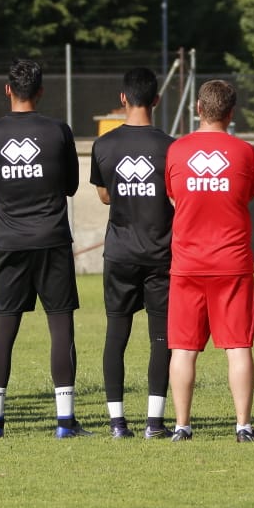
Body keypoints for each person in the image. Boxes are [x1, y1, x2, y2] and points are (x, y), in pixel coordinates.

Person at [0, 58, 84, 439]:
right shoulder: (58, 131)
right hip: (52, 240)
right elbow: (71, 186)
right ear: (40, 92)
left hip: (10, 243)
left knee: (4, 327)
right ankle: (65, 423)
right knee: (61, 326)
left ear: (8, 90)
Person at [164, 79, 254, 441]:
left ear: (198, 109)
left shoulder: (177, 150)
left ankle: (182, 425)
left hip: (187, 262)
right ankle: (243, 425)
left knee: (183, 348)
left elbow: (174, 195)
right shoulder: (244, 152)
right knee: (238, 347)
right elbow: (247, 194)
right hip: (231, 262)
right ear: (231, 113)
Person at [89, 68, 175, 439]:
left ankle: (116, 423)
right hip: (161, 252)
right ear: (156, 99)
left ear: (123, 98)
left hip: (119, 252)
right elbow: (176, 195)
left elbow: (104, 195)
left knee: (116, 335)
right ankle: (154, 423)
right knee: (161, 338)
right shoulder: (171, 146)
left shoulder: (104, 145)